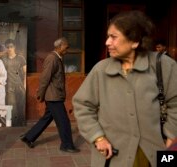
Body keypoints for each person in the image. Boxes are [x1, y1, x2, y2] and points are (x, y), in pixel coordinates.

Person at [72, 10, 177, 167]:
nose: (107, 42)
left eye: (113, 37)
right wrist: (98, 137)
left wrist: (171, 137)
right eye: (108, 36)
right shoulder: (100, 70)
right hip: (113, 156)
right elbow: (82, 106)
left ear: (135, 41)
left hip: (157, 151)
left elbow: (175, 103)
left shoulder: (163, 65)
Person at [20, 37, 80, 153]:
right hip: (53, 97)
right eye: (66, 47)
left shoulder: (57, 58)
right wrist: (40, 94)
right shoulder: (52, 58)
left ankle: (28, 137)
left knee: (47, 118)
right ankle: (66, 145)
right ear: (60, 46)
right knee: (64, 121)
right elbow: (44, 78)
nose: (67, 50)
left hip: (54, 95)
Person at [0, 39, 27, 126]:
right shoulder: (3, 59)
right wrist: (1, 53)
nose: (9, 49)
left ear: (14, 47)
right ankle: (15, 125)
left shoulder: (20, 58)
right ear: (5, 48)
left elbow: (25, 72)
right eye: (7, 47)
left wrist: (25, 85)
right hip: (9, 86)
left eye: (11, 46)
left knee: (21, 105)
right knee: (12, 105)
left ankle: (21, 123)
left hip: (19, 85)